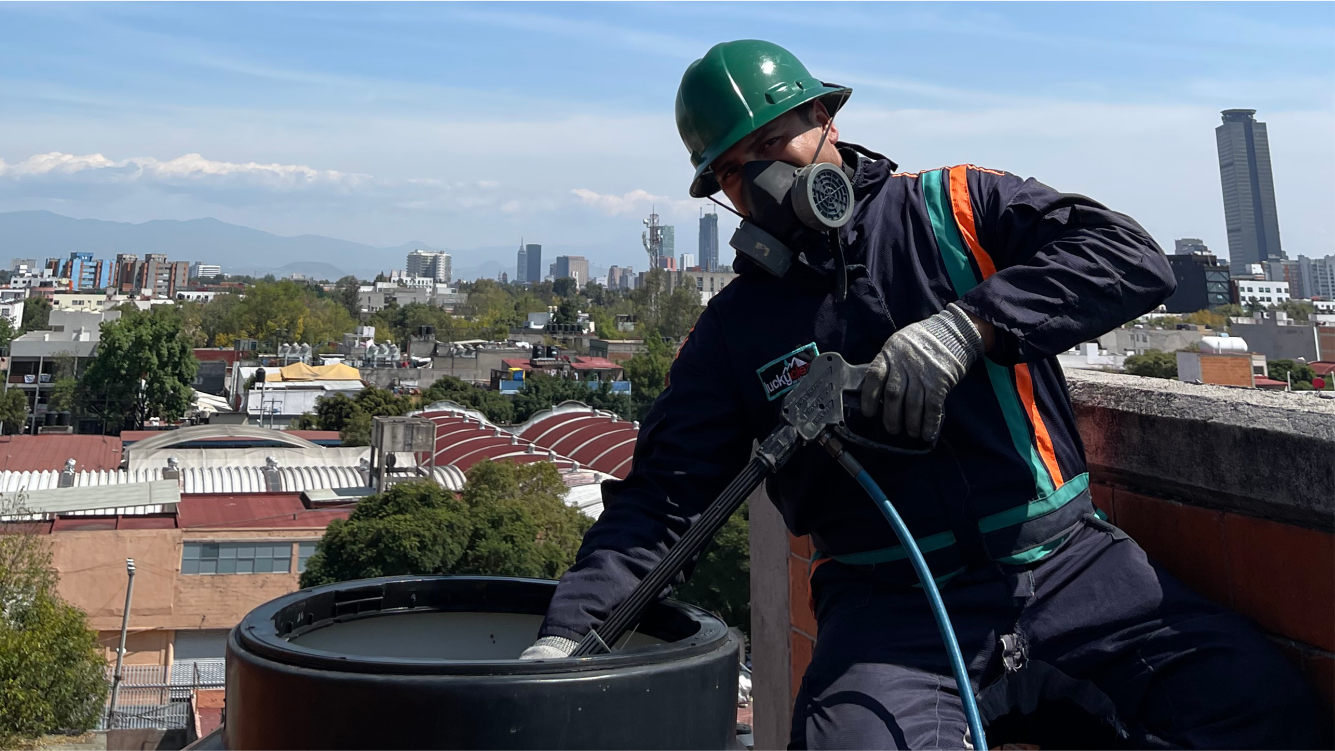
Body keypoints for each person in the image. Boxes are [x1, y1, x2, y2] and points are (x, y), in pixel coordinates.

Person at [521, 40, 1330, 749]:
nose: (764, 178)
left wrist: (971, 325)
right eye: (735, 169)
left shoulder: (954, 208)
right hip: (889, 611)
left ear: (825, 120)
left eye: (774, 141)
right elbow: (661, 501)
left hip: (1069, 567)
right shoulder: (732, 333)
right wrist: (566, 635)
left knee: (1260, 713)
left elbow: (1127, 257)